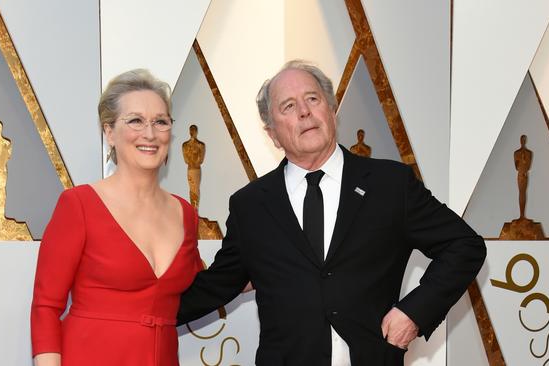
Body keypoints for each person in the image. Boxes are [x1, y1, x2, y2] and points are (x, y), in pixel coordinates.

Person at [177, 60, 486, 366]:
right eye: (288, 106)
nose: (304, 112)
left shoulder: (390, 185)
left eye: (313, 99)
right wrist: (135, 310)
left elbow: (464, 245)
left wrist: (413, 313)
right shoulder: (251, 205)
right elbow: (215, 286)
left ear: (331, 110)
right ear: (272, 133)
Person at [30, 69, 201, 366]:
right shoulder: (79, 204)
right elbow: (46, 307)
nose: (150, 133)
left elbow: (205, 284)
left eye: (160, 121)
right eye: (135, 120)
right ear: (109, 132)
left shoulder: (185, 213)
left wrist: (267, 265)